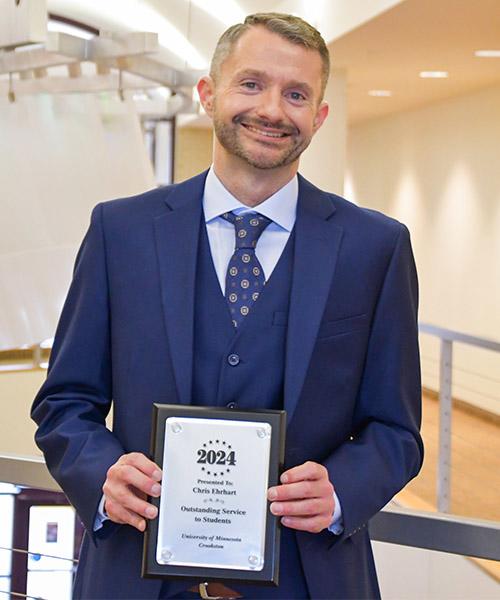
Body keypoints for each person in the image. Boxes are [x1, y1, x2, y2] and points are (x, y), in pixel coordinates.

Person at [31, 12, 423, 600]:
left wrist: (341, 489)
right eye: (250, 84)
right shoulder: (121, 231)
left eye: (295, 94)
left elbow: (397, 431)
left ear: (317, 116)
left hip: (309, 576)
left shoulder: (376, 248)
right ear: (208, 94)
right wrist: (102, 472)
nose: (271, 109)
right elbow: (65, 402)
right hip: (136, 574)